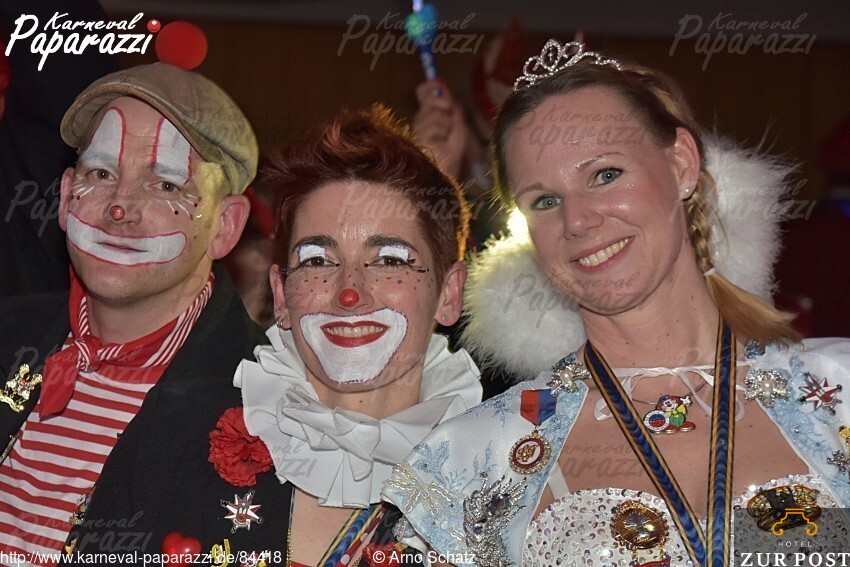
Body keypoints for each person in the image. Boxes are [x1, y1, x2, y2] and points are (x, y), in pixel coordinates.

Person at [384, 40, 850, 566]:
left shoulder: (840, 392)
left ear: (681, 164)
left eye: (605, 175)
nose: (578, 220)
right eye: (545, 200)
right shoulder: (476, 459)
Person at [0, 63, 291, 561]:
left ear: (225, 226)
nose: (120, 207)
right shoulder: (9, 332)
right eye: (101, 173)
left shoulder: (271, 407)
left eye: (165, 185)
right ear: (66, 197)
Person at [234, 106, 482, 566]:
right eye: (317, 261)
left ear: (449, 294)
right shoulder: (181, 441)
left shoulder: (508, 477)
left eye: (390, 260)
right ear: (281, 295)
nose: (349, 293)